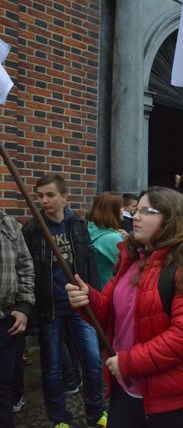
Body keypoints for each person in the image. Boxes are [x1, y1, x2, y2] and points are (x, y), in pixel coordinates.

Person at [65, 186, 183, 427]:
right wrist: (89, 300)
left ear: (170, 219)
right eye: (136, 210)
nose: (135, 217)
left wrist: (128, 363)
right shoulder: (130, 259)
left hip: (173, 399)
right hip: (127, 391)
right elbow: (110, 314)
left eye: (147, 211)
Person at [21, 173, 107, 428]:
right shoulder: (33, 229)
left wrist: (94, 299)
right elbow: (27, 269)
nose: (44, 201)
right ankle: (59, 419)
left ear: (64, 197)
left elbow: (89, 265)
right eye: (40, 196)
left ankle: (97, 414)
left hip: (80, 307)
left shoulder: (78, 225)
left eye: (50, 195)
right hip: (50, 309)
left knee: (92, 362)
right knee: (52, 367)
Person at [0, 211, 35, 428]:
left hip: (5, 319)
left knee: (4, 385)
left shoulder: (9, 225)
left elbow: (25, 267)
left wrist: (23, 306)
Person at [88, 192, 125, 290]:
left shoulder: (90, 230)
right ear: (113, 210)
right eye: (121, 207)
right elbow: (131, 269)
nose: (123, 210)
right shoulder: (113, 238)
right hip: (111, 292)